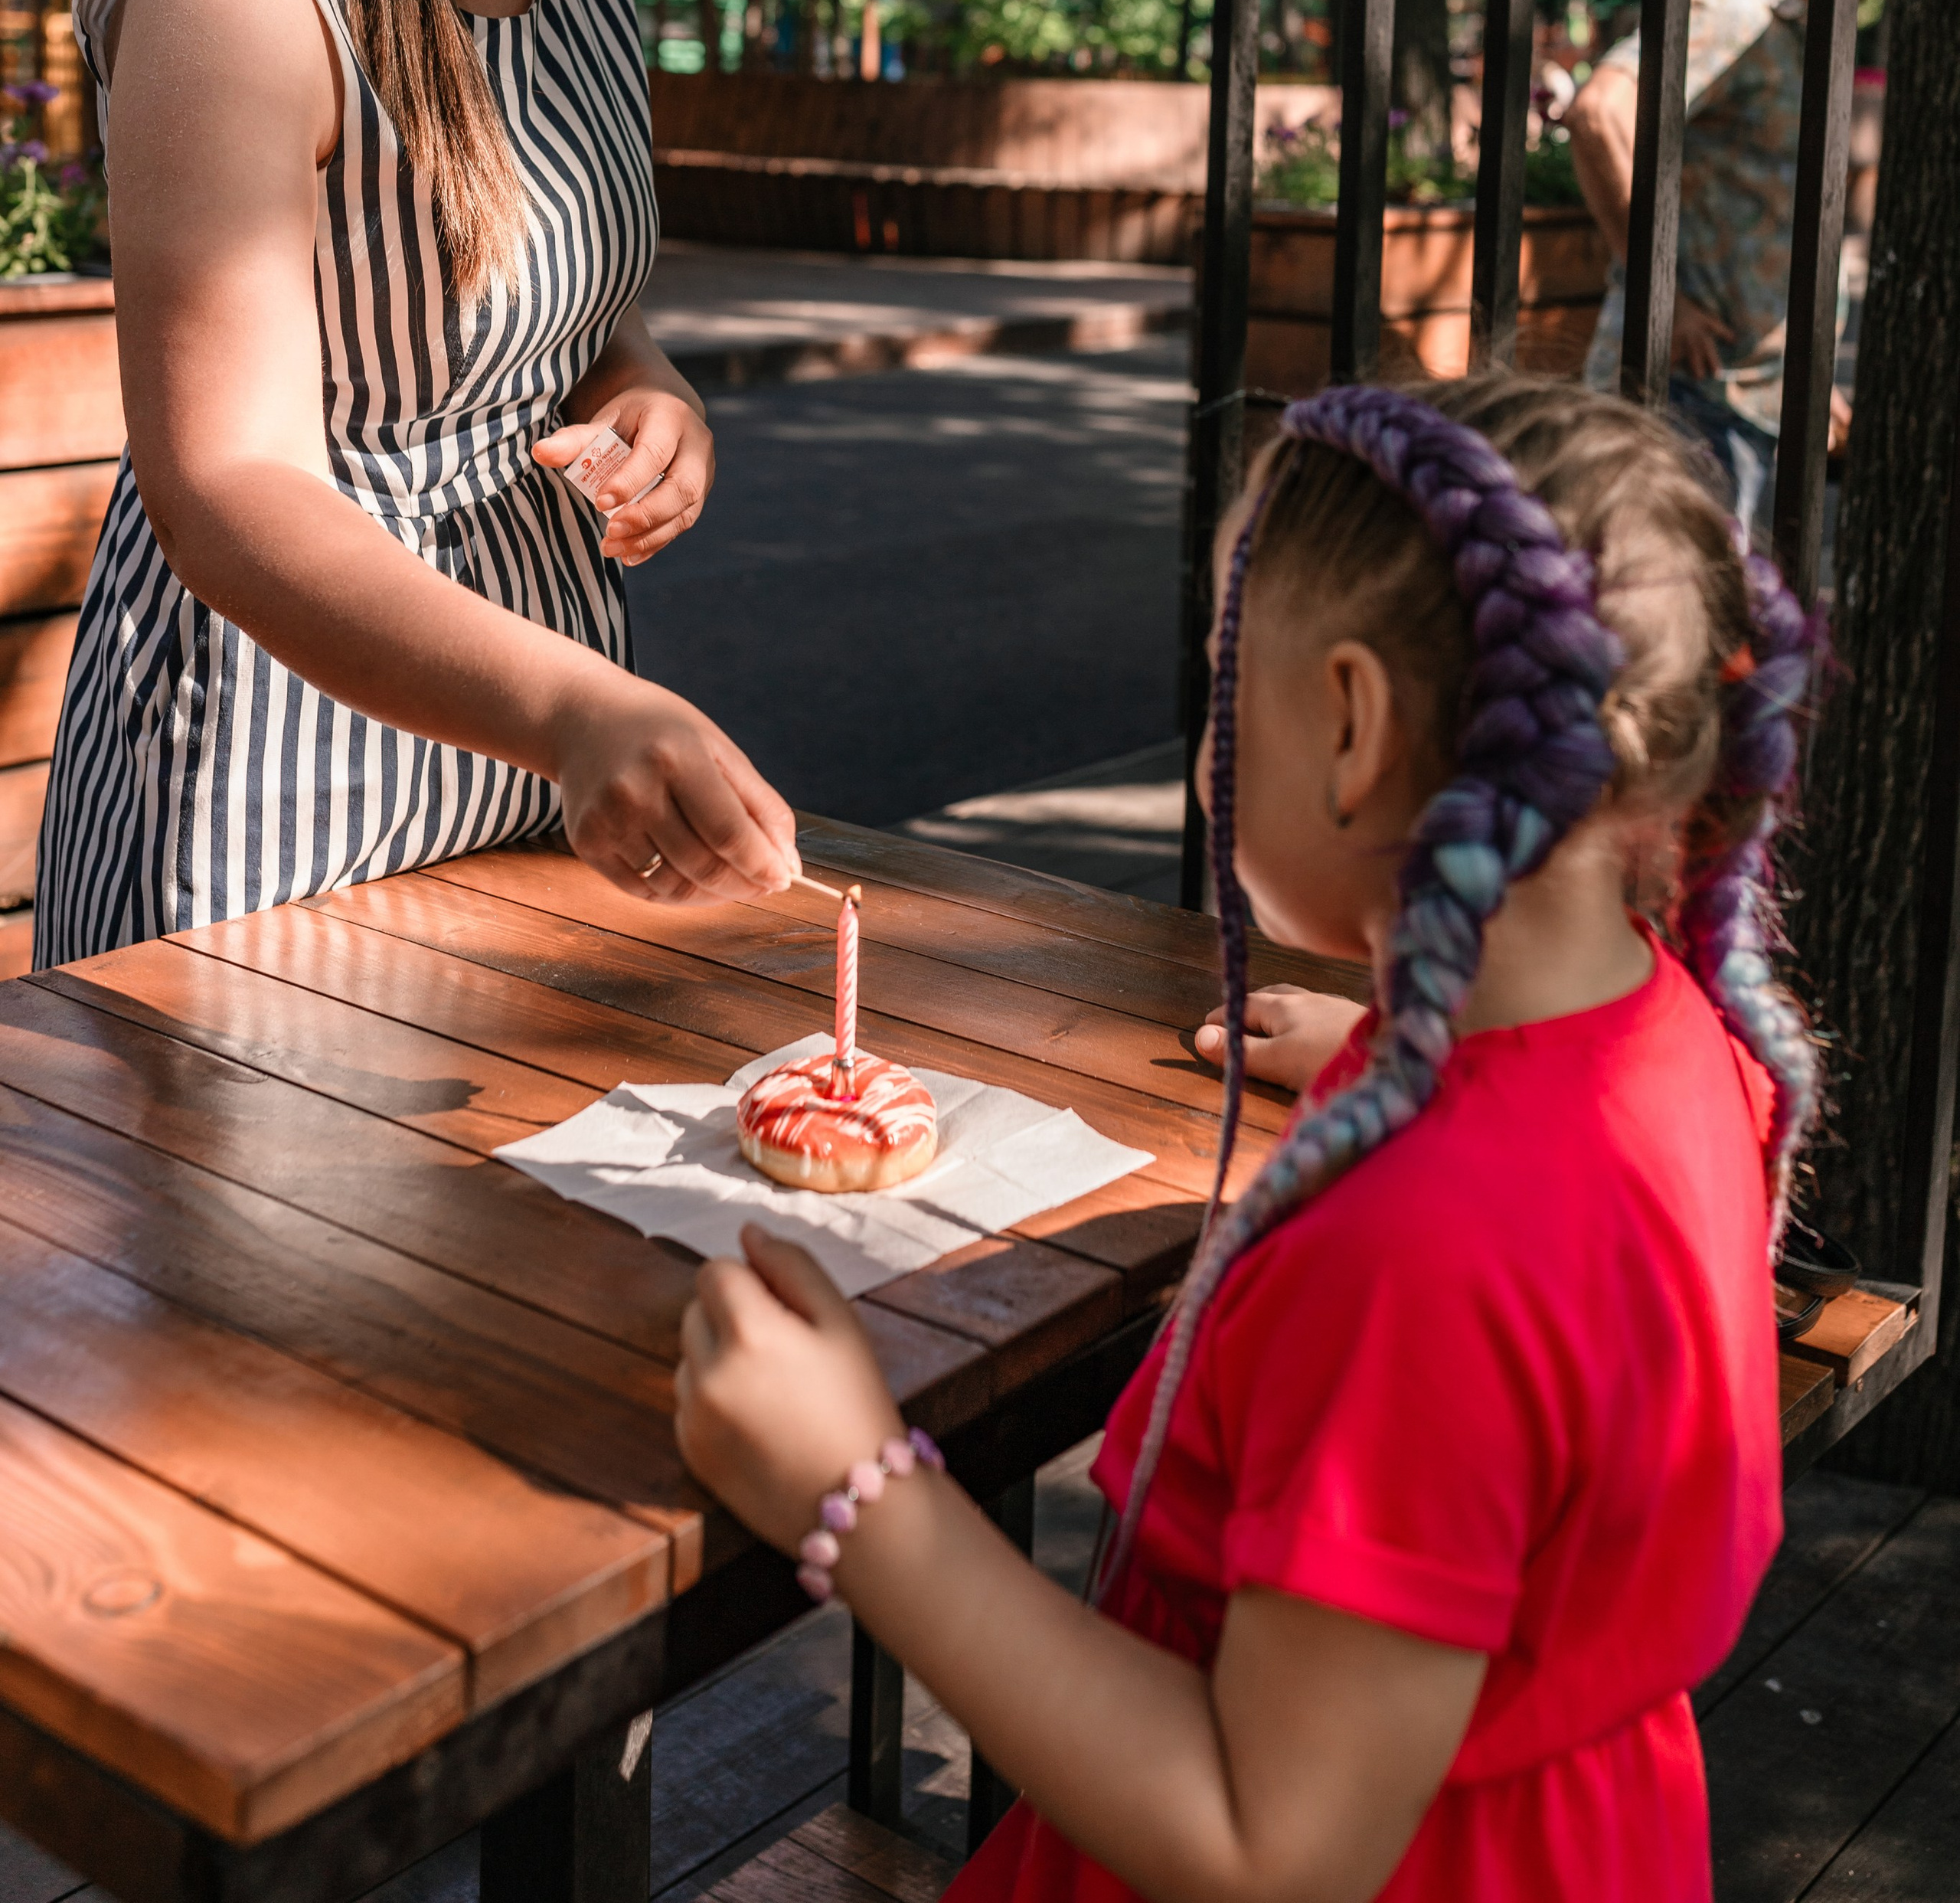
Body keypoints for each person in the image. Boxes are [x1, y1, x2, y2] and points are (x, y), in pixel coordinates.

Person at [673, 374, 1818, 1903]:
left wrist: (860, 1492)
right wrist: (1382, 1052)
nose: (1212, 741)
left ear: (1348, 724)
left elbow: (1269, 1844)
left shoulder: (1417, 1259)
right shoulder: (1671, 1044)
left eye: (1225, 688)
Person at [34, 0, 805, 966]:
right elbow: (227, 489)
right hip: (270, 793)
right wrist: (577, 709)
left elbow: (532, 290)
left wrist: (640, 388)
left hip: (532, 788)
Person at [1566, 0, 1900, 535]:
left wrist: (1798, 381)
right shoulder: (1732, 7)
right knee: (1657, 624)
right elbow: (1600, 112)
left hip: (1738, 397)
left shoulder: (1777, 25)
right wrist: (1662, 291)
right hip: (1687, 398)